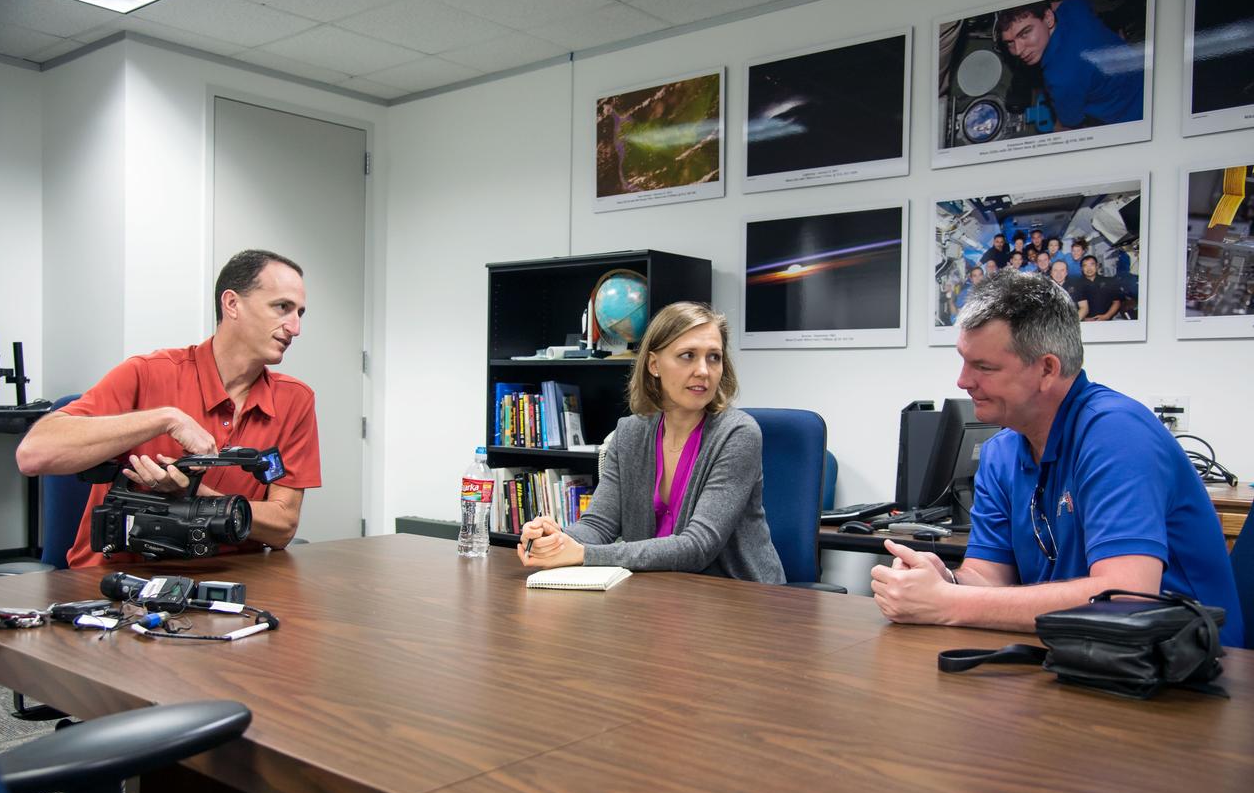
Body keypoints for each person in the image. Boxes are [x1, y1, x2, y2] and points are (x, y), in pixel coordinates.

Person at [870, 273, 1243, 647]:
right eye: (964, 362)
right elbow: (987, 577)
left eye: (984, 367)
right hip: (1082, 654)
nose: (963, 381)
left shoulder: (1116, 434)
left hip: (1186, 670)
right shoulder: (1002, 453)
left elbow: (1126, 598)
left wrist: (949, 604)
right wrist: (945, 582)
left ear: (1047, 369)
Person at [17, 249, 322, 568]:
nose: (295, 327)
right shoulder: (147, 373)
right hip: (118, 582)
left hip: (231, 583)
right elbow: (33, 454)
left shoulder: (295, 400)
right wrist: (166, 419)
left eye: (300, 313)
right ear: (232, 304)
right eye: (282, 307)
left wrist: (195, 495)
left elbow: (283, 527)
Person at [516, 302, 784, 584]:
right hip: (660, 595)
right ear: (654, 364)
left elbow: (698, 546)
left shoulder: (737, 434)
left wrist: (583, 554)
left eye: (714, 357)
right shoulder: (630, 433)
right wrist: (556, 541)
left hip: (741, 599)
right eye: (688, 356)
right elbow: (598, 525)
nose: (704, 370)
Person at [996, 0, 1145, 130]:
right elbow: (1069, 3)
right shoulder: (1074, 8)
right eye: (1010, 42)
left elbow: (1071, 122)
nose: (1018, 50)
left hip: (1133, 116)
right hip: (1142, 76)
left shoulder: (1061, 77)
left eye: (1024, 33)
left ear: (1048, 18)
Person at [1078, 254, 1121, 321]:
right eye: (1085, 265)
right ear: (1081, 268)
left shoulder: (1109, 281)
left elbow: (1117, 302)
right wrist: (1083, 319)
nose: (1089, 268)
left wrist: (1106, 316)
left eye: (1092, 264)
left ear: (1097, 266)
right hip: (1085, 323)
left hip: (1106, 322)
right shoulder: (1076, 285)